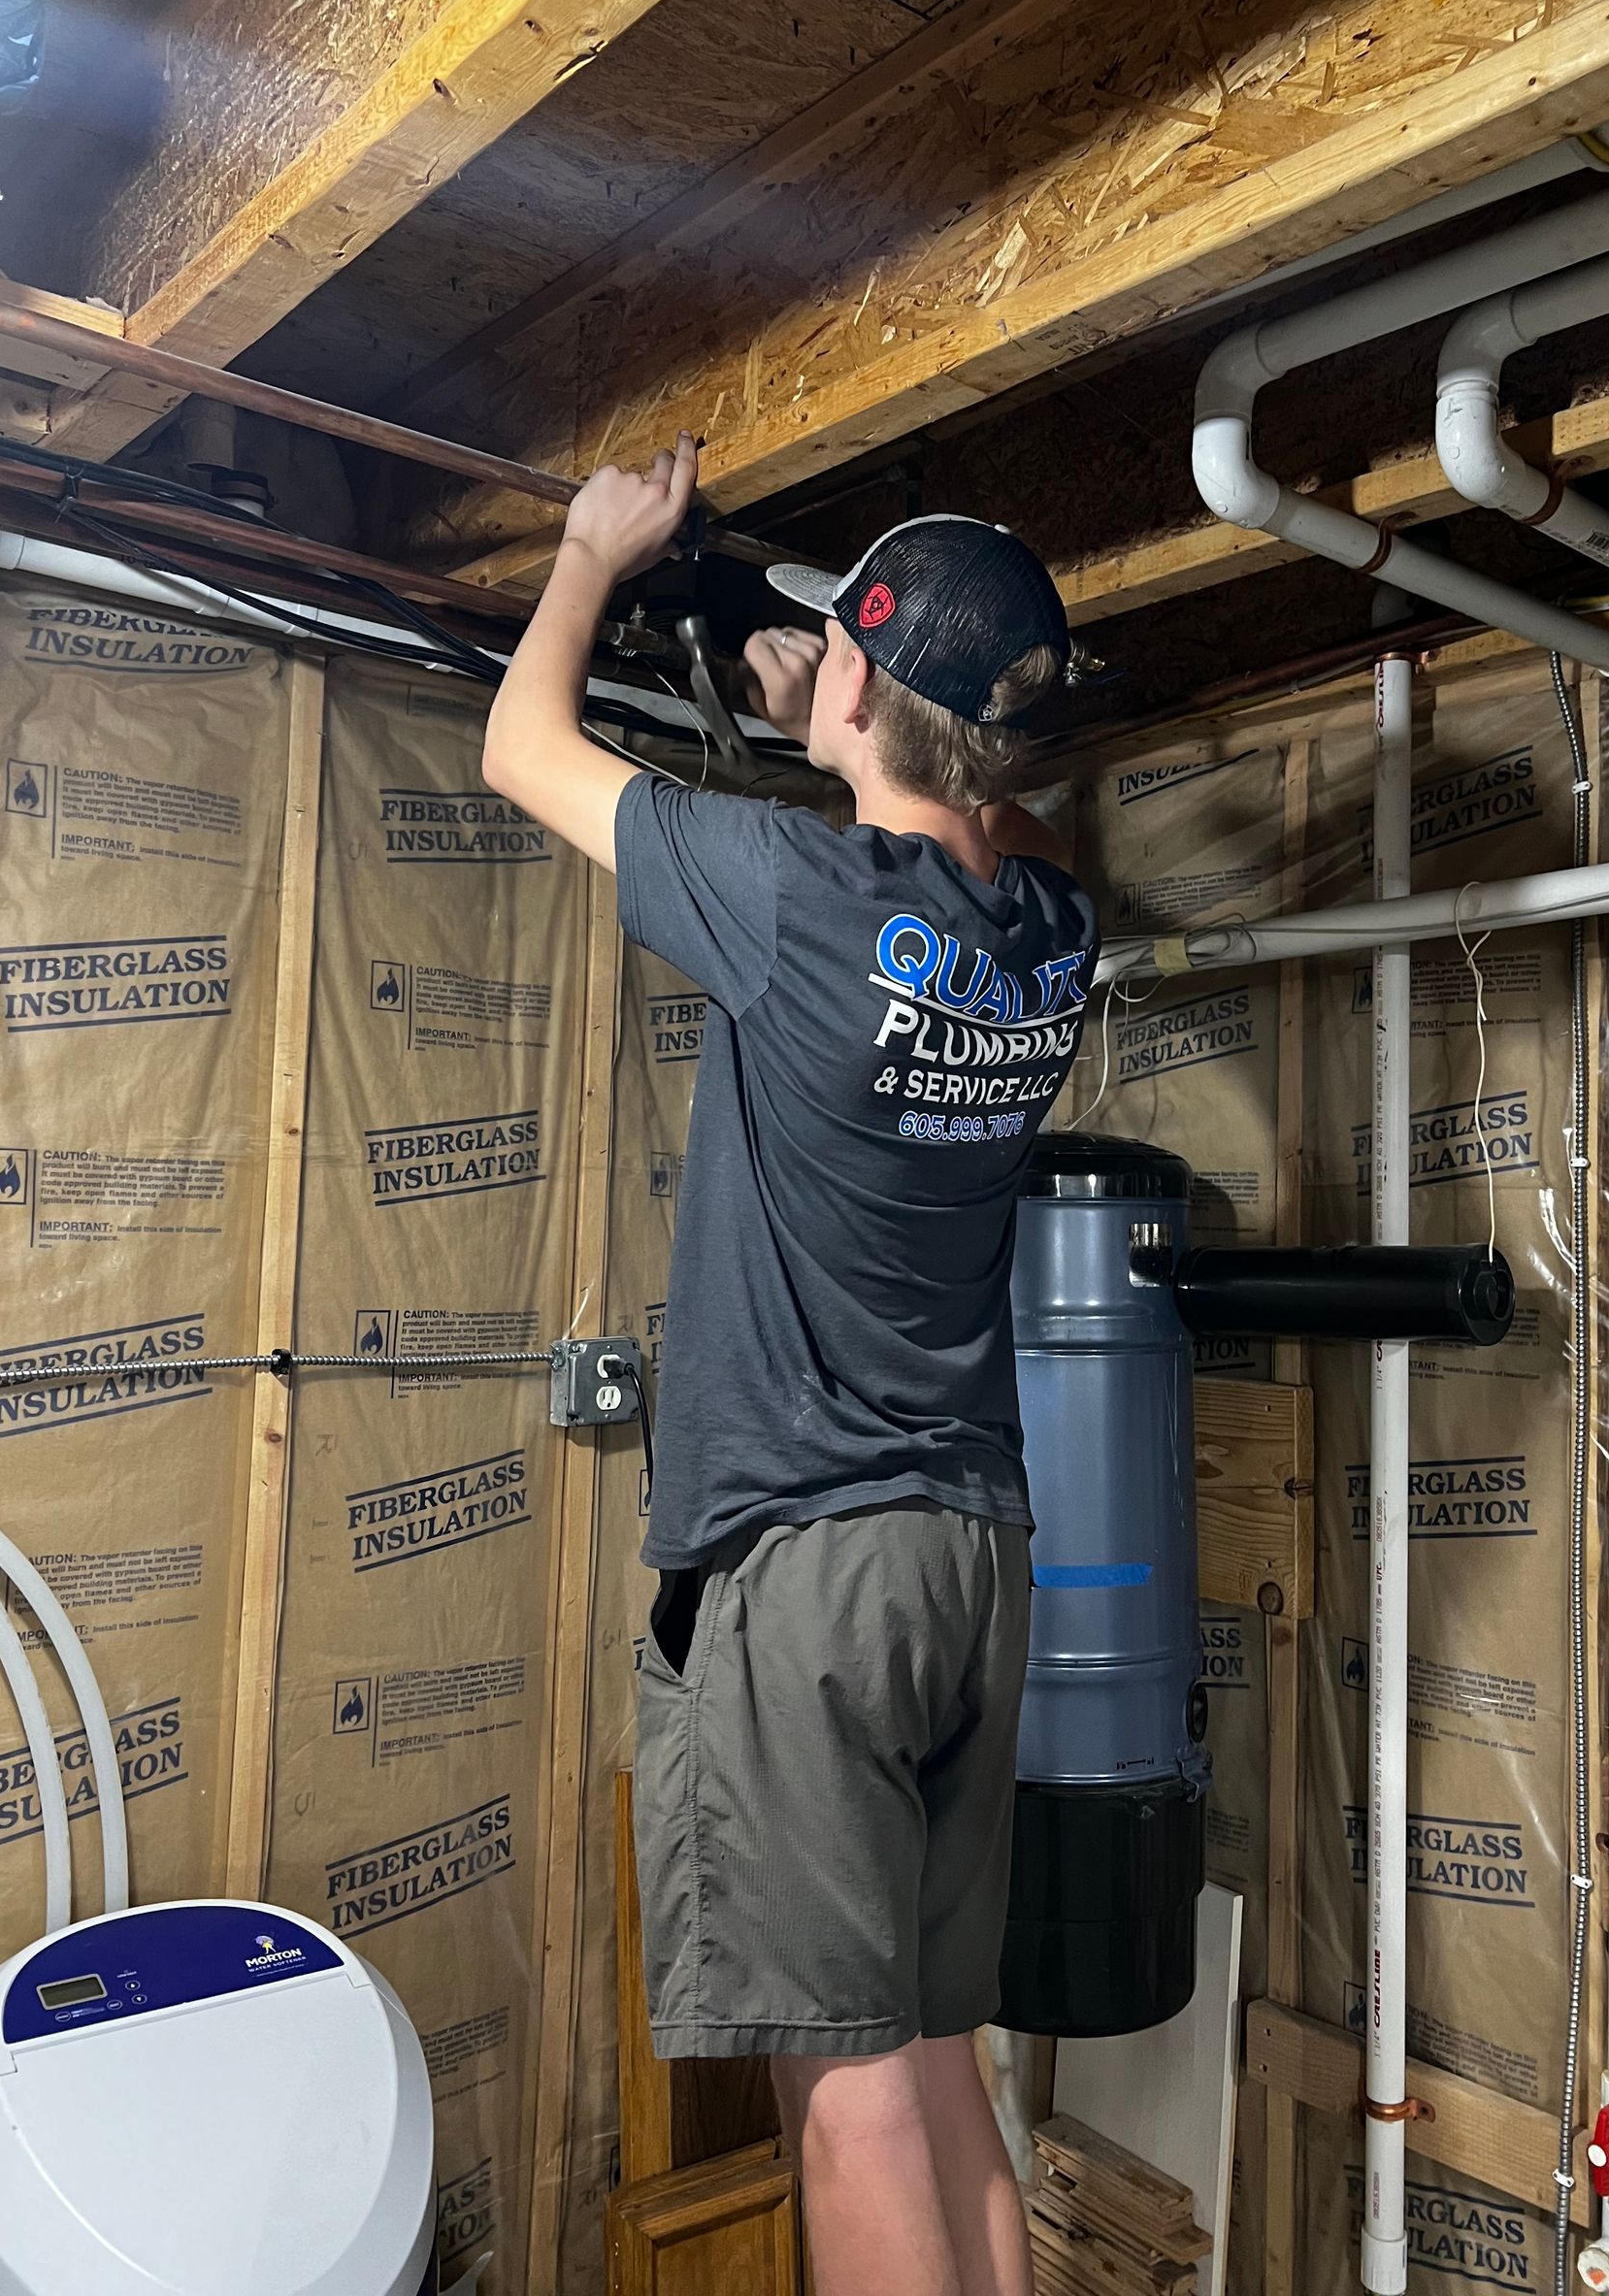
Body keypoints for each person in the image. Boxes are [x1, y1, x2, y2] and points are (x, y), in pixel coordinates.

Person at [482, 432, 1099, 2296]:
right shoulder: (1054, 936)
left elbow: (519, 749)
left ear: (857, 680)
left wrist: (594, 553)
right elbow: (947, 854)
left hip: (810, 1578)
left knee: (843, 2101)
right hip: (976, 1562)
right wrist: (844, 728)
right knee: (934, 2057)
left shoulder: (790, 894)